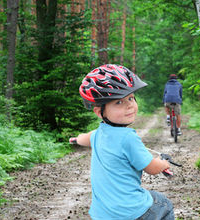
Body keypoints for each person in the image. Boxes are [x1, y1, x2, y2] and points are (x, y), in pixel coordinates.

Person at [69, 64, 174, 220]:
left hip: (103, 214)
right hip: (131, 212)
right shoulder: (128, 137)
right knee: (164, 204)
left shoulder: (99, 133)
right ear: (100, 112)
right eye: (119, 102)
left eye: (131, 98)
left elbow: (86, 138)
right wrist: (163, 163)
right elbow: (152, 168)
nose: (129, 105)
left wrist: (76, 139)